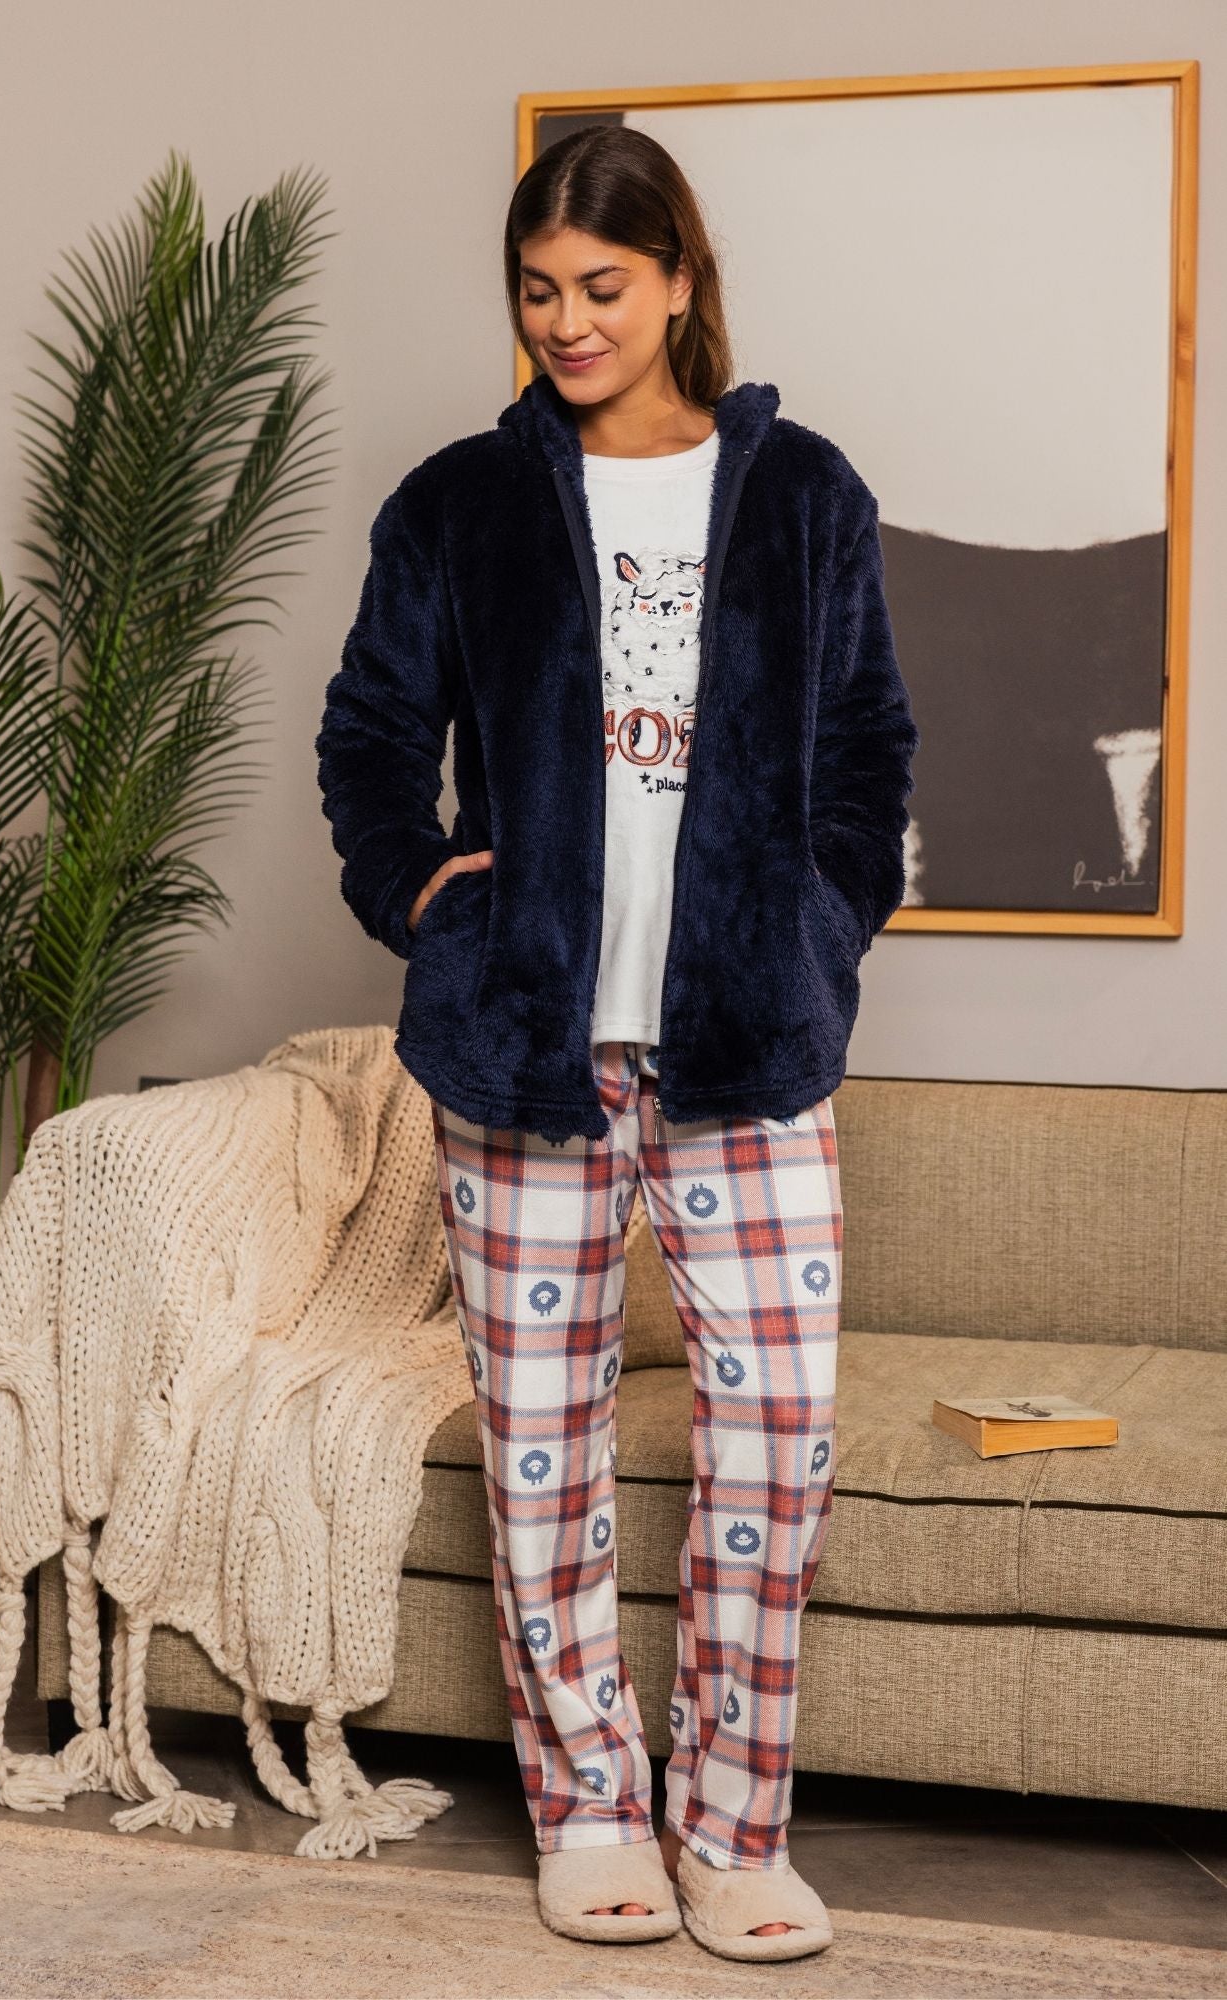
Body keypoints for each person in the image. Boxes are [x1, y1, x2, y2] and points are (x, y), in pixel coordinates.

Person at [316, 123, 919, 1963]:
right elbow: (367, 742)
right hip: (525, 1049)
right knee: (540, 1451)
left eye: (600, 286)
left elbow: (867, 751)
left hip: (746, 1041)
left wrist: (818, 923)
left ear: (675, 280)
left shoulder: (798, 491)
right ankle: (590, 1812)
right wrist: (424, 892)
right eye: (536, 291)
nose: (566, 322)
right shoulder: (459, 504)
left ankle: (731, 1830)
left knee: (778, 1436)